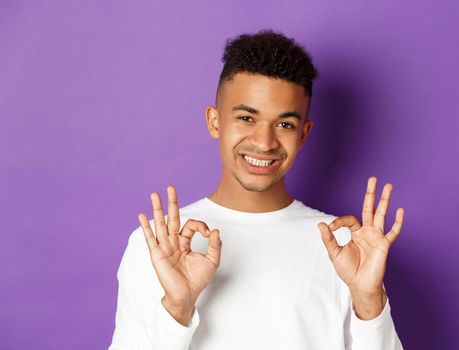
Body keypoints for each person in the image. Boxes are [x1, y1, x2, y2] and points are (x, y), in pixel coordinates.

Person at [109, 29, 405, 350]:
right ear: (214, 121)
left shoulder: (344, 248)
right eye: (247, 117)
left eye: (284, 124)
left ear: (304, 134)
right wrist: (177, 308)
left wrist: (369, 301)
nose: (264, 143)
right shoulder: (159, 245)